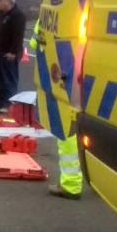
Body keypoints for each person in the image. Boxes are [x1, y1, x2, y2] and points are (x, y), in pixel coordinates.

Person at [30, 23, 84, 200]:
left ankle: (71, 185)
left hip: (68, 78)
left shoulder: (51, 16)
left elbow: (34, 43)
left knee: (67, 133)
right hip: (88, 77)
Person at [0, 0, 27, 113]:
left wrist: (13, 52)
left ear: (8, 2)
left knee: (9, 79)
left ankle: (9, 104)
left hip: (8, 53)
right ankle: (0, 102)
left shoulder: (17, 15)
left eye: (0, 0)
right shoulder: (0, 15)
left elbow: (18, 36)